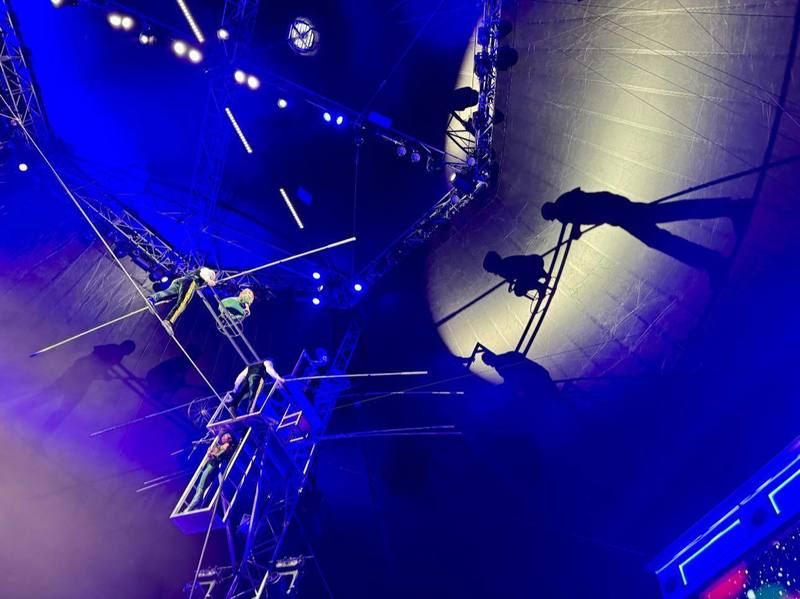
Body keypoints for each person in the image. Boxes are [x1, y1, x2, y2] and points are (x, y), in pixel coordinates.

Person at [148, 266, 217, 335]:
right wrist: (209, 280)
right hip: (190, 283)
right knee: (183, 303)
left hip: (181, 280)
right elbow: (203, 273)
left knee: (167, 292)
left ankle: (152, 299)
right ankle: (168, 320)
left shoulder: (200, 274)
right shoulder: (208, 272)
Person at [186, 432, 235, 511]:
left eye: (225, 436)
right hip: (211, 466)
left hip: (212, 466)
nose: (222, 437)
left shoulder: (226, 446)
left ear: (228, 439)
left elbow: (215, 456)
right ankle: (194, 507)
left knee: (201, 487)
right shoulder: (222, 445)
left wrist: (209, 452)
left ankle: (189, 508)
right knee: (201, 487)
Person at [483, 251, 549, 297]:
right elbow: (517, 273)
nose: (490, 272)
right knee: (520, 285)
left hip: (534, 264)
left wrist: (513, 282)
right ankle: (542, 275)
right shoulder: (504, 264)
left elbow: (520, 272)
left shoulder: (503, 268)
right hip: (536, 260)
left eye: (489, 270)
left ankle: (539, 285)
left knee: (519, 290)